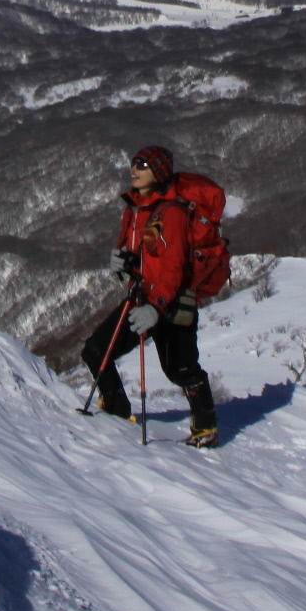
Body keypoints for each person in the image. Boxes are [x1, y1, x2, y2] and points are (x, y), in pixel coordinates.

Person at [80, 144, 219, 447]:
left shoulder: (172, 214)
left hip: (170, 304)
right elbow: (149, 253)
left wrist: (156, 308)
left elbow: (173, 269)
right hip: (142, 298)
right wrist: (124, 261)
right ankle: (116, 412)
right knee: (96, 351)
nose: (134, 169)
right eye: (134, 163)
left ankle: (205, 428)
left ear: (159, 172)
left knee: (181, 370)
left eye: (142, 165)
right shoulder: (138, 209)